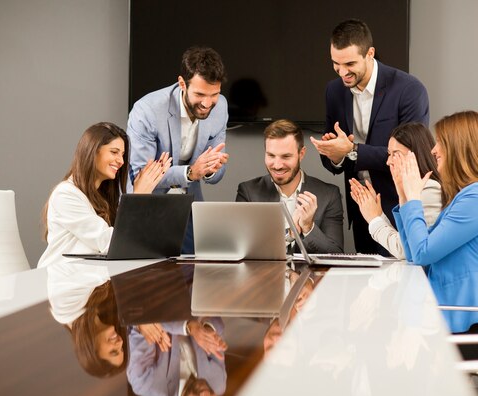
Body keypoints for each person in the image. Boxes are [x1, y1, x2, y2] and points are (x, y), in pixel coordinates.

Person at [392, 110, 478, 360]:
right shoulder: (467, 196)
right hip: (458, 320)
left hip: (475, 330)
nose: (434, 150)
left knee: (389, 354)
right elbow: (413, 254)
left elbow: (422, 254)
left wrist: (414, 198)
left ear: (461, 149)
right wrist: (404, 196)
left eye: (441, 143)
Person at [310, 19, 429, 256]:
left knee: (402, 284)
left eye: (350, 63)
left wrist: (351, 150)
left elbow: (410, 156)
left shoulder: (408, 90)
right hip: (360, 208)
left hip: (400, 205)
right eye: (336, 64)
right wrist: (334, 155)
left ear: (370, 53)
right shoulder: (333, 91)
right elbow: (334, 159)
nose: (343, 72)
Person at [127, 46, 230, 254]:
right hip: (149, 208)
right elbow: (141, 174)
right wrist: (191, 173)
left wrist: (210, 169)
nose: (207, 103)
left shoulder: (220, 108)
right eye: (200, 94)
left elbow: (216, 174)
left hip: (190, 209)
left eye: (214, 94)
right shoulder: (147, 110)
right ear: (182, 83)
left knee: (194, 278)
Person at [38, 122, 170, 267]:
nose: (121, 161)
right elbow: (114, 245)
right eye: (114, 152)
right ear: (92, 152)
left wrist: (140, 198)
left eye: (123, 154)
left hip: (91, 279)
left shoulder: (103, 197)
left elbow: (133, 240)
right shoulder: (66, 195)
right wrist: (138, 198)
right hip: (66, 281)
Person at [236, 119, 344, 253]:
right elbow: (242, 249)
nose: (277, 165)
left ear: (301, 154)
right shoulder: (248, 192)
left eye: (286, 156)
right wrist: (290, 234)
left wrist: (308, 227)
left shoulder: (329, 194)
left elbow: (336, 253)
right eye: (271, 155)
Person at [349, 123, 441, 259]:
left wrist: (374, 219)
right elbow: (405, 242)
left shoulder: (429, 188)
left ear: (415, 156)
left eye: (395, 155)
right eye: (388, 154)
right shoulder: (413, 189)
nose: (388, 162)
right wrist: (378, 215)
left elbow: (404, 250)